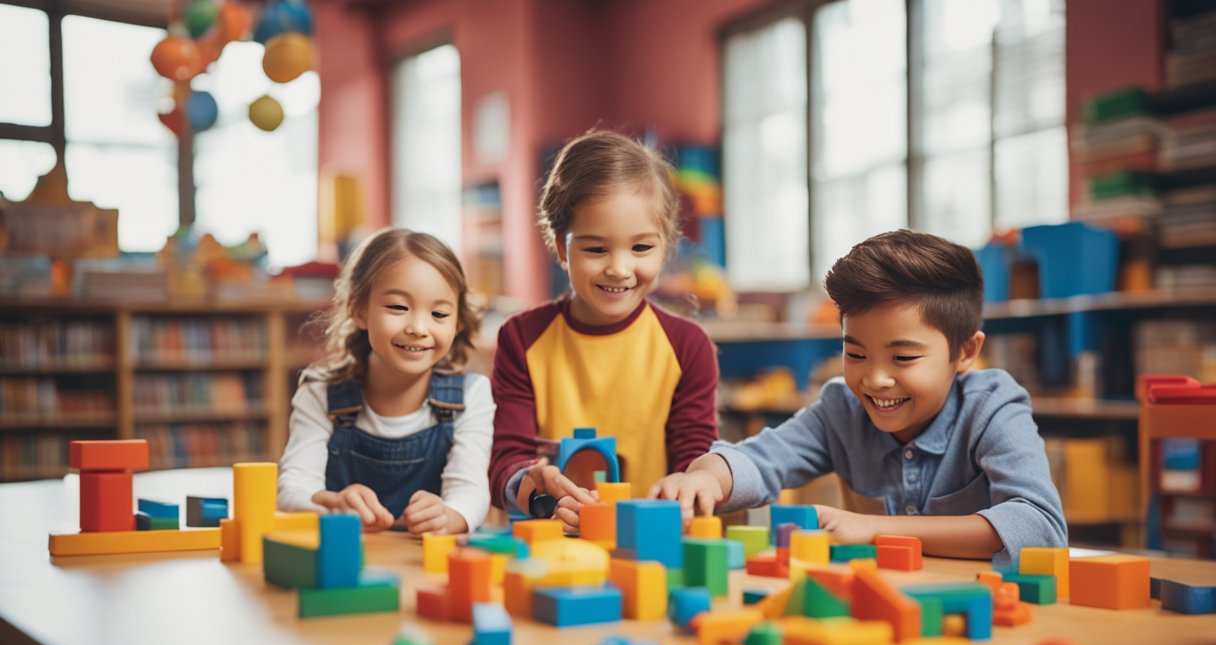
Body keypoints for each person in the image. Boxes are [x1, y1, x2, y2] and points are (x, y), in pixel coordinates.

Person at [650, 229, 1067, 564]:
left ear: (965, 352)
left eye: (903, 358)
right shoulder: (842, 410)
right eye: (856, 354)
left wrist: (876, 530)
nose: (876, 379)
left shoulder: (992, 407)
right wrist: (706, 477)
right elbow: (762, 460)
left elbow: (1040, 527)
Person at [489, 129, 720, 530]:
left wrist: (687, 492)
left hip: (652, 541)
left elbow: (695, 460)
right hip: (550, 540)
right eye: (596, 249)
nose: (619, 268)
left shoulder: (687, 346)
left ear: (665, 246)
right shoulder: (521, 338)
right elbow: (505, 464)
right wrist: (540, 495)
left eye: (641, 248)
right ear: (562, 248)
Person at [278, 228, 493, 535]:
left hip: (425, 558)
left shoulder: (472, 395)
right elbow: (292, 490)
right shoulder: (320, 392)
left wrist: (447, 516)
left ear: (457, 322)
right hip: (347, 556)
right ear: (360, 310)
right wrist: (331, 503)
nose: (418, 327)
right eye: (398, 307)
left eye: (439, 314)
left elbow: (470, 493)